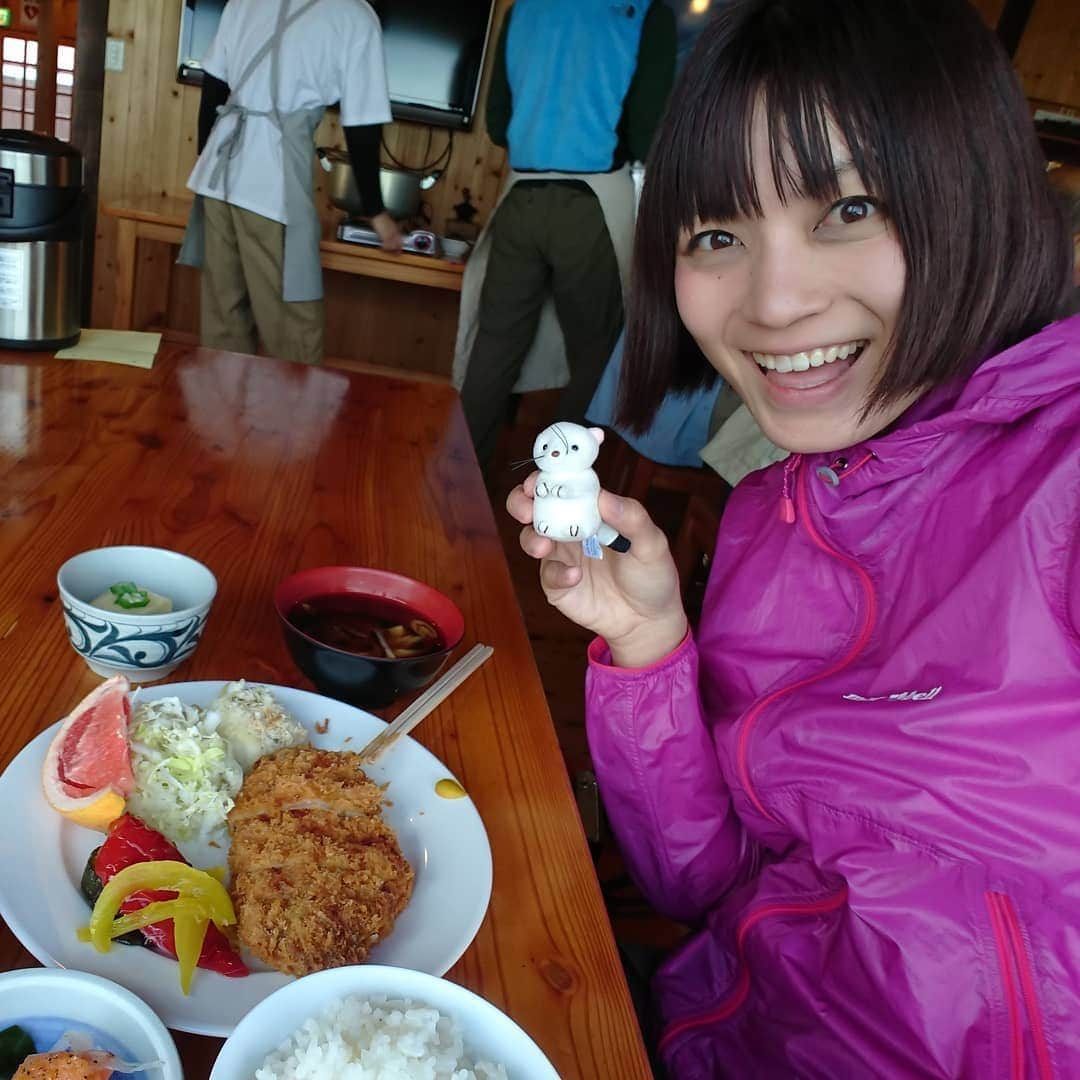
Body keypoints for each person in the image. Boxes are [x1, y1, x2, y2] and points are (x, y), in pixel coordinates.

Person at [507, 0, 1079, 1075]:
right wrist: (650, 647)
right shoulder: (774, 520)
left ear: (979, 198)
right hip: (704, 1031)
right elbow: (702, 884)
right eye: (717, 235)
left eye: (849, 207)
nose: (772, 302)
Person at [454, 0, 676, 471]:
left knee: (494, 348)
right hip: (592, 201)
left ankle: (457, 484)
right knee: (596, 355)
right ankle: (555, 493)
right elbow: (644, 133)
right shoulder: (644, 11)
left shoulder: (521, 11)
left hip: (520, 198)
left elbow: (497, 121)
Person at [178, 0, 403, 367]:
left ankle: (218, 423)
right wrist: (376, 211)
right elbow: (362, 124)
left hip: (216, 175)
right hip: (272, 182)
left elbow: (214, 88)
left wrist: (206, 161)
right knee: (294, 332)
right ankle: (293, 425)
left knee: (224, 323)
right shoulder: (356, 16)